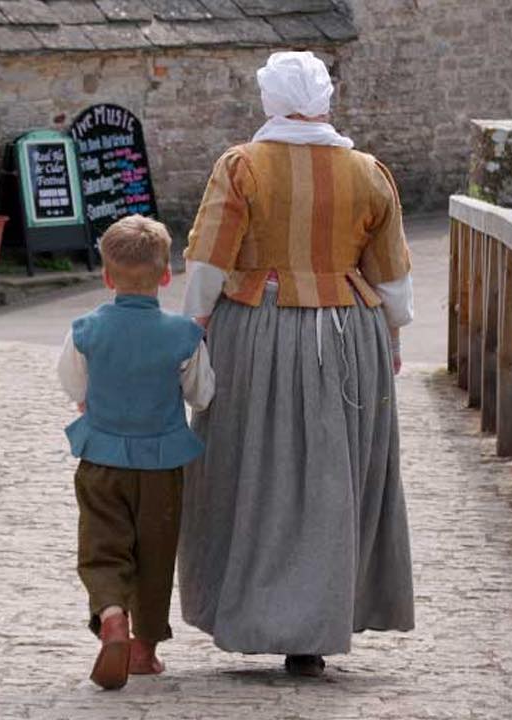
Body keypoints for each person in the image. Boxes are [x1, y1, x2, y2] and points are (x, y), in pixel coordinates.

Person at [177, 51, 416, 678]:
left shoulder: (242, 167)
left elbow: (206, 263)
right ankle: (312, 630)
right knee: (334, 475)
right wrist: (391, 335)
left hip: (259, 328)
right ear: (325, 100)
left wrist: (196, 323)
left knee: (254, 465)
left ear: (269, 100)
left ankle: (255, 610)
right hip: (351, 334)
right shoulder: (368, 173)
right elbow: (391, 278)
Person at [56, 214, 215, 690]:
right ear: (166, 275)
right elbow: (201, 394)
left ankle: (110, 617)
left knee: (102, 547)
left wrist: (92, 399)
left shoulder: (84, 330)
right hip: (162, 466)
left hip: (101, 460)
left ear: (106, 277)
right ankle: (144, 651)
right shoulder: (184, 335)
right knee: (155, 554)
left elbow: (73, 383)